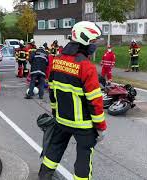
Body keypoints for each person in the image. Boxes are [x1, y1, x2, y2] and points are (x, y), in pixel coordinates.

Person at [38, 21, 107, 180]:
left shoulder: (57, 60)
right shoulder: (86, 66)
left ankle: (44, 176)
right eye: (93, 41)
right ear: (84, 40)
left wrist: (56, 112)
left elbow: (52, 91)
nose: (94, 45)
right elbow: (95, 101)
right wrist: (100, 127)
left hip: (61, 120)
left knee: (54, 150)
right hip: (83, 125)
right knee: (84, 158)